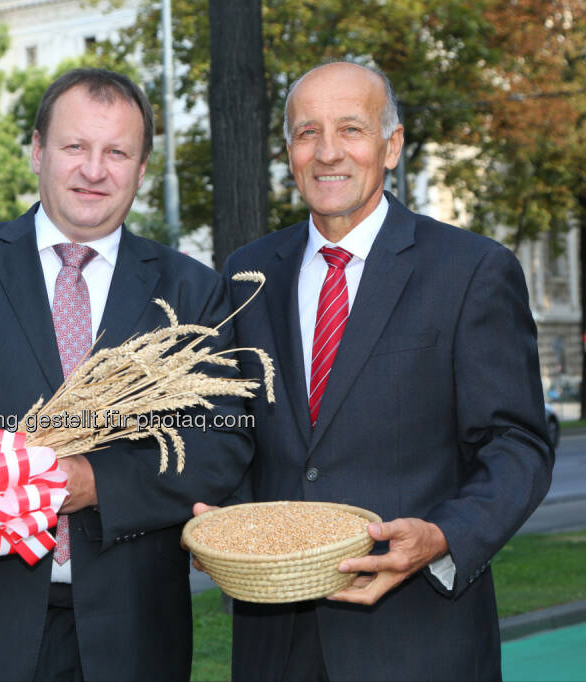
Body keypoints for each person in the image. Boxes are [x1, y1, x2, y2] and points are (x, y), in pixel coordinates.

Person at [0, 68, 251, 681]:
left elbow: (221, 446)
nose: (94, 169)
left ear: (141, 167)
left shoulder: (192, 291)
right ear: (37, 150)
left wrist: (94, 481)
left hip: (134, 633)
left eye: (117, 152)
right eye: (75, 146)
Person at [209, 61, 554, 680]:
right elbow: (233, 428)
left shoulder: (471, 270)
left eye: (351, 129)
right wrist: (225, 519)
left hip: (419, 637)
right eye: (307, 132)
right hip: (275, 642)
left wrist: (443, 536)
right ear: (287, 151)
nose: (328, 152)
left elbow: (518, 444)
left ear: (391, 145)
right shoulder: (247, 272)